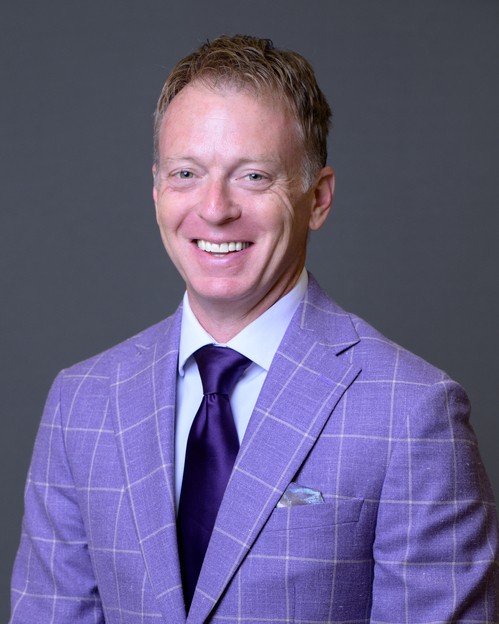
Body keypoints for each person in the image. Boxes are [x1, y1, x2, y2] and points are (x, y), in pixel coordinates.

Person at [10, 34, 498, 623]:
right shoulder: (82, 404)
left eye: (254, 176)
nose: (215, 209)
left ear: (318, 198)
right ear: (157, 190)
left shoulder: (413, 413)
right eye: (187, 173)